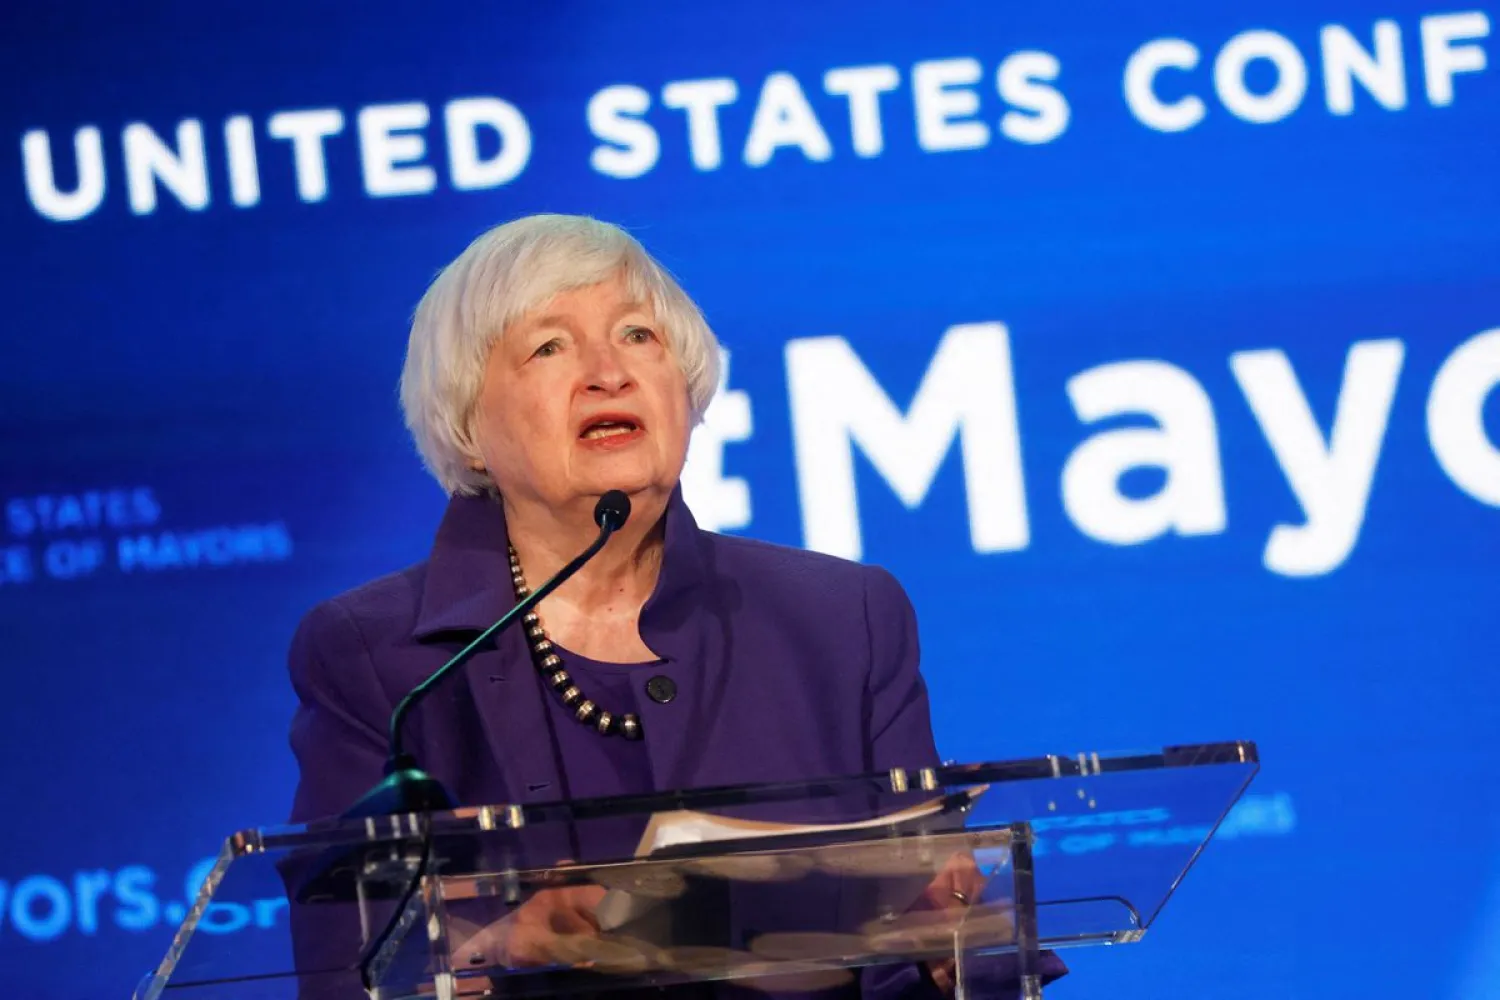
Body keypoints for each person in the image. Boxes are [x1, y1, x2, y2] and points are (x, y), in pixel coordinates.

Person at [285, 214, 1062, 997]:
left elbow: (951, 931)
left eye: (637, 336)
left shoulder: (842, 619)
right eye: (549, 347)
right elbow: (344, 970)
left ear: (686, 393)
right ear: (467, 427)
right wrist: (488, 943)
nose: (607, 373)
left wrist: (958, 943)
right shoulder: (380, 659)